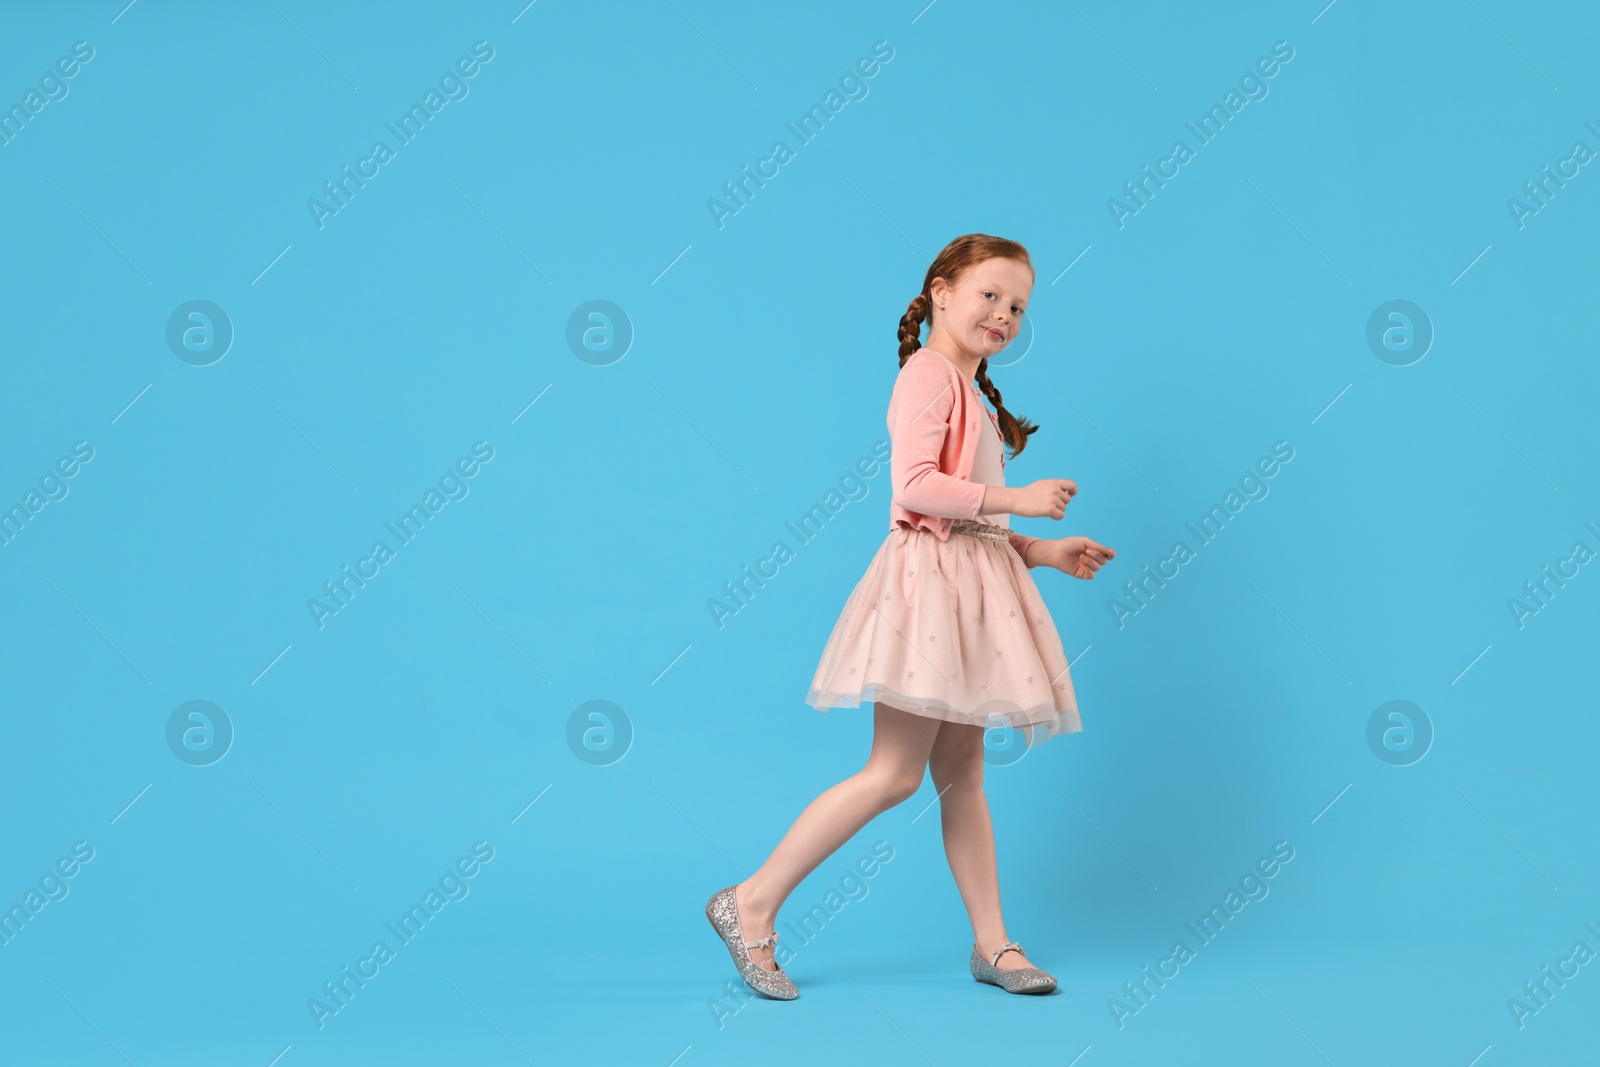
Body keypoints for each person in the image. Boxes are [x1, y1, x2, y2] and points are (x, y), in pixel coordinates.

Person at [705, 233, 1115, 999]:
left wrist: (1039, 547)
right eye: (990, 294)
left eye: (1019, 305)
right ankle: (750, 900)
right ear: (941, 292)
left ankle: (993, 944)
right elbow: (917, 487)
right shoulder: (928, 374)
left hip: (965, 591)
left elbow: (972, 518)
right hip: (927, 596)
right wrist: (1017, 497)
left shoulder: (971, 393)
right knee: (894, 773)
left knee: (963, 773)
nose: (1004, 313)